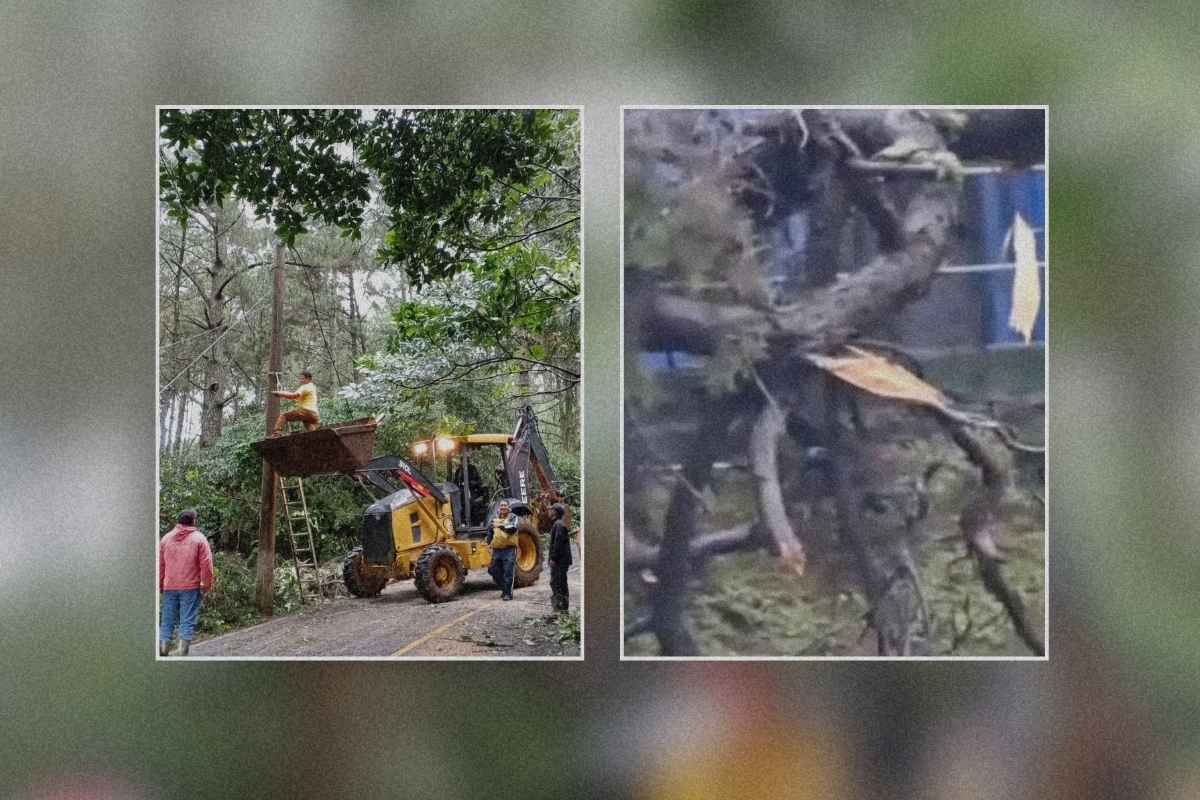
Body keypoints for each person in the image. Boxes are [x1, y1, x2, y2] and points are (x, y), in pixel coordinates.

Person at [158, 509, 213, 656]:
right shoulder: (199, 539)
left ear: (179, 521)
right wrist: (206, 584)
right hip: (190, 586)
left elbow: (160, 565)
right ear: (194, 521)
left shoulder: (166, 539)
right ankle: (182, 650)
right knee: (187, 619)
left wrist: (160, 584)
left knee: (167, 618)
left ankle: (163, 648)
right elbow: (206, 564)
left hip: (169, 586)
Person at [271, 368, 319, 435]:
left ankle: (276, 434)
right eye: (300, 378)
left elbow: (293, 395)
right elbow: (293, 397)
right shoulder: (312, 387)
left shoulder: (305, 386)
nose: (301, 381)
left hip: (306, 411)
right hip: (315, 415)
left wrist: (280, 393)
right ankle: (314, 435)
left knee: (284, 416)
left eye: (303, 379)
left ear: (308, 379)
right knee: (306, 422)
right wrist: (283, 394)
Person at [486, 501, 518, 601]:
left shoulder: (513, 517)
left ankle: (508, 593)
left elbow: (513, 528)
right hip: (497, 549)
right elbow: (490, 530)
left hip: (509, 549)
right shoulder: (494, 518)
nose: (503, 507)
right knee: (493, 570)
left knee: (508, 571)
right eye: (501, 506)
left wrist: (501, 525)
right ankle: (504, 589)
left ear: (508, 507)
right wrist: (489, 542)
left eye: (505, 505)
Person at [548, 503, 572, 612]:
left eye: (551, 510)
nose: (549, 511)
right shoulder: (559, 524)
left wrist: (553, 558)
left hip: (560, 561)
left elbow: (558, 544)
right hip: (562, 561)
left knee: (557, 583)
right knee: (560, 582)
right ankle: (561, 609)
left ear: (556, 512)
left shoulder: (558, 524)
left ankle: (560, 610)